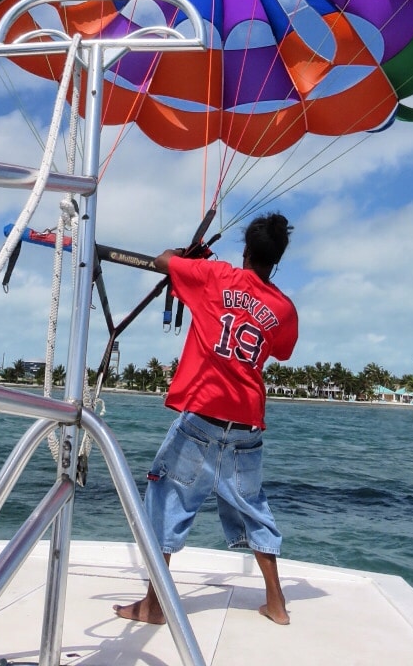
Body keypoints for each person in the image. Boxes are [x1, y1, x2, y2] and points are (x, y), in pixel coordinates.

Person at [114, 212, 298, 627]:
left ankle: (154, 604)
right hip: (246, 426)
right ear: (277, 260)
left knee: (166, 501)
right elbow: (282, 350)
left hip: (201, 419)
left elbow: (163, 261)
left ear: (246, 252)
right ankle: (277, 604)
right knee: (253, 507)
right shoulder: (284, 308)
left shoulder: (215, 277)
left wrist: (187, 255)